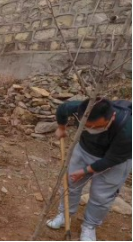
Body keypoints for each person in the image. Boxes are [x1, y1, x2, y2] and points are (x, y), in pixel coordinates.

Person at [48, 97, 131, 242]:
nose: (90, 129)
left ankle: (89, 226)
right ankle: (65, 214)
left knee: (101, 196)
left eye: (95, 126)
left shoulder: (128, 130)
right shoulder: (84, 108)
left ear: (111, 117)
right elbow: (62, 109)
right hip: (84, 150)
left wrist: (85, 171)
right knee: (70, 184)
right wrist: (61, 128)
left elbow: (111, 160)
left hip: (114, 161)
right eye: (86, 126)